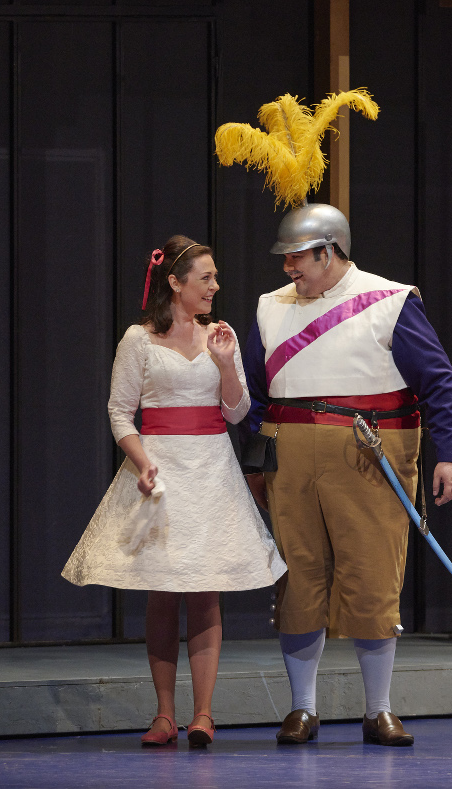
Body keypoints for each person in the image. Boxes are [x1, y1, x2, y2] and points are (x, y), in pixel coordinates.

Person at [241, 203, 452, 746]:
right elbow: (251, 392)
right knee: (297, 577)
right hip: (289, 457)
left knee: (372, 577)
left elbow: (439, 380)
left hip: (370, 454)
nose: (288, 268)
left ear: (329, 251)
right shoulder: (270, 308)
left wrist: (449, 453)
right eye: (286, 258)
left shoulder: (389, 300)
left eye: (297, 257)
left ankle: (378, 710)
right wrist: (257, 458)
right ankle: (302, 708)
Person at [62, 235, 286, 747]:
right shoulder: (138, 340)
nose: (215, 286)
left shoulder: (220, 335)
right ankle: (164, 714)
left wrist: (227, 363)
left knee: (205, 592)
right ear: (175, 283)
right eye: (205, 277)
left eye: (214, 277)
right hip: (161, 471)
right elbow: (121, 413)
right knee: (164, 592)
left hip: (209, 468)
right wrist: (141, 463)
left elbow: (236, 412)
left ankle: (203, 714)